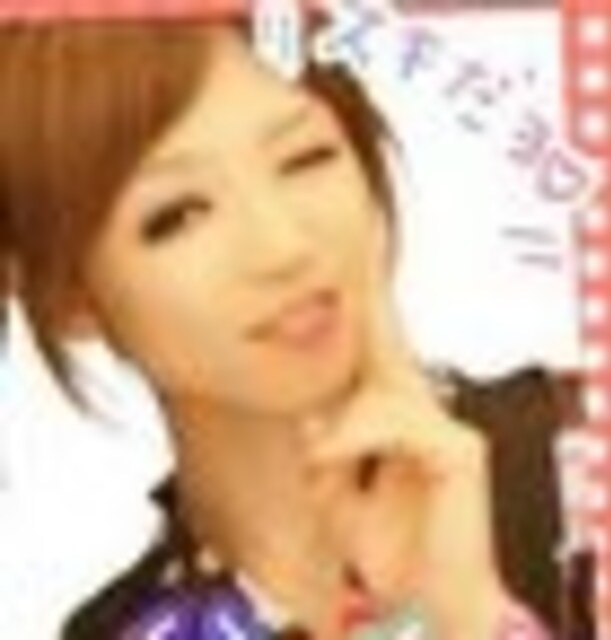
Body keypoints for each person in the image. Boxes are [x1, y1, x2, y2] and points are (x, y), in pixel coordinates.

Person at [0, 15, 580, 640]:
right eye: (178, 214)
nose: (284, 246)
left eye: (306, 158)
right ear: (68, 297)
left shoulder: (590, 452)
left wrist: (466, 614)